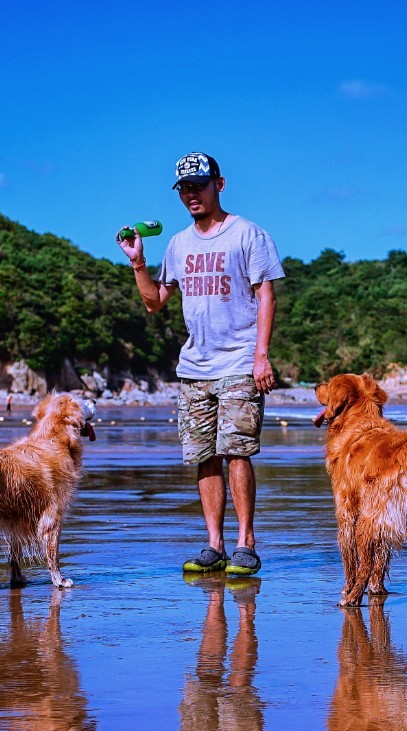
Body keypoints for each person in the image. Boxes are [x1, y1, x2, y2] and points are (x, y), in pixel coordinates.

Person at [117, 152, 284, 576]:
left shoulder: (248, 234)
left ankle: (246, 543)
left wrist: (260, 356)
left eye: (199, 185)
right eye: (185, 188)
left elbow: (266, 295)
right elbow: (155, 302)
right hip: (194, 367)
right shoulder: (178, 244)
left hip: (238, 362)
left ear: (219, 185)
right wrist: (137, 261)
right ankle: (215, 544)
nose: (192, 194)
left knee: (237, 452)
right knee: (204, 456)